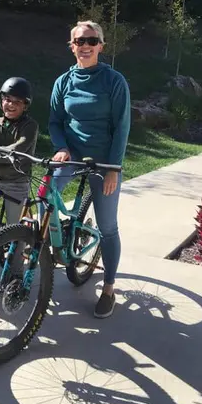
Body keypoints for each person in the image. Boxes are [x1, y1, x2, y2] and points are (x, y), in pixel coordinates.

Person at [49, 20, 131, 319]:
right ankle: (51, 246)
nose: (84, 46)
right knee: (45, 197)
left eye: (91, 40)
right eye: (79, 41)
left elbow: (122, 127)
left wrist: (113, 169)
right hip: (70, 156)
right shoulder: (63, 82)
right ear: (71, 46)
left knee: (108, 226)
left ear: (101, 45)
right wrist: (61, 147)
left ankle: (108, 288)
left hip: (104, 161)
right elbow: (55, 121)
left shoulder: (114, 81)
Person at [0, 77, 39, 242]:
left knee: (14, 230)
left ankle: (15, 268)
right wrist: (5, 156)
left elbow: (18, 149)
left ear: (25, 105)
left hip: (17, 182)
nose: (10, 104)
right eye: (7, 99)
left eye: (17, 102)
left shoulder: (30, 126)